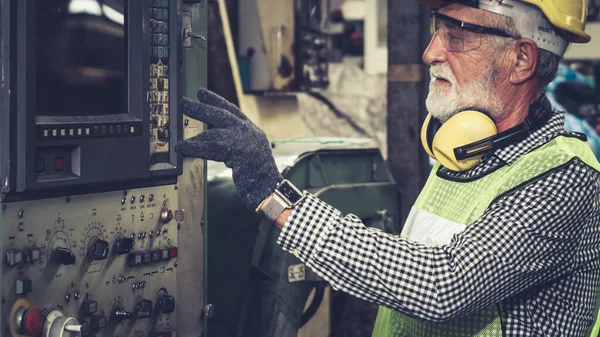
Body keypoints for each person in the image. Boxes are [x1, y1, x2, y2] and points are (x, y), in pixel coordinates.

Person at [175, 0, 600, 335]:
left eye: (457, 35)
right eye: (438, 28)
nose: (430, 51)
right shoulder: (467, 148)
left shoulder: (564, 178)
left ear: (522, 60)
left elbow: (442, 284)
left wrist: (277, 196)